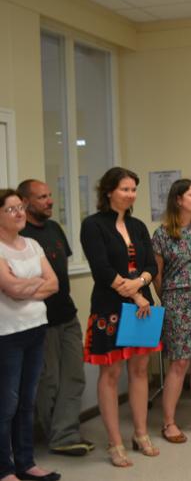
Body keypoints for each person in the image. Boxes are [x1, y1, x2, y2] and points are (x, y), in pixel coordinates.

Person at [81, 167, 161, 467]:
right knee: (111, 374)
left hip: (141, 307)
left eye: (134, 189)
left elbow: (151, 265)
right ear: (109, 191)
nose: (131, 194)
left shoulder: (138, 226)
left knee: (140, 371)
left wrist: (140, 284)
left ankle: (140, 434)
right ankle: (115, 443)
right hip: (109, 307)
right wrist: (135, 293)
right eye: (125, 189)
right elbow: (101, 268)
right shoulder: (92, 225)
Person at [17, 180, 93, 456]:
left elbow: (60, 272)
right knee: (48, 382)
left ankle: (66, 434)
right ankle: (56, 434)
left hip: (67, 315)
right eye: (42, 197)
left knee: (75, 376)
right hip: (40, 322)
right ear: (25, 202)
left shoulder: (54, 228)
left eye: (50, 196)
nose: (50, 201)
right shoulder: (21, 235)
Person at [0, 189, 61, 481]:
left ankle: (26, 463)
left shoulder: (33, 244)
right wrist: (32, 284)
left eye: (20, 207)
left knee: (28, 400)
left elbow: (54, 284)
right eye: (10, 209)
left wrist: (22, 283)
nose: (19, 213)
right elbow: (9, 288)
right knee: (6, 403)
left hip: (36, 329)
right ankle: (4, 468)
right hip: (7, 334)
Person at [151, 179, 191, 444]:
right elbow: (157, 274)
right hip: (177, 300)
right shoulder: (163, 233)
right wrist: (166, 300)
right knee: (179, 362)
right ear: (178, 199)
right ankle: (169, 422)